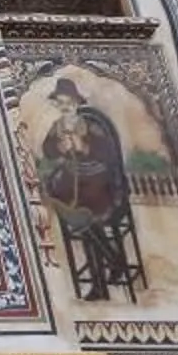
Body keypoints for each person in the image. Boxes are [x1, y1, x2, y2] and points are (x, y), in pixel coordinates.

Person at [35, 79, 141, 301]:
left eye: (68, 102)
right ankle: (113, 263)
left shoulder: (90, 125)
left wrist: (83, 146)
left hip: (100, 185)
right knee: (78, 214)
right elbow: (48, 151)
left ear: (76, 102)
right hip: (72, 186)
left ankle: (107, 274)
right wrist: (59, 148)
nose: (65, 106)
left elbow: (106, 154)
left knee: (85, 217)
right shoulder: (57, 127)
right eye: (60, 102)